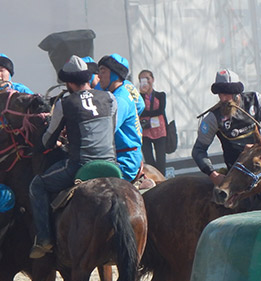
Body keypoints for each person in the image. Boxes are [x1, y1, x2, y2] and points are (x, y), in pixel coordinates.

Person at [29, 55, 117, 258]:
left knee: (37, 185)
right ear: (88, 78)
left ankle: (44, 239)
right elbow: (109, 130)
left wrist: (46, 142)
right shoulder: (110, 98)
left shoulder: (65, 103)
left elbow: (48, 139)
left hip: (80, 165)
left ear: (68, 82)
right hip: (111, 163)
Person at [192, 69, 261, 186]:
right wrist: (213, 174)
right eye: (221, 94)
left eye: (227, 93)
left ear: (236, 93)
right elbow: (198, 150)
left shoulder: (256, 100)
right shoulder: (212, 118)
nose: (224, 98)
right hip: (237, 175)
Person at [98, 53, 144, 182]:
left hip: (124, 160)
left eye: (103, 71)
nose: (99, 76)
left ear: (114, 74)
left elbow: (106, 130)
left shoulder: (119, 100)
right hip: (121, 155)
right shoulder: (118, 93)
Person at [138, 69, 168, 175]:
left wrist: (147, 113)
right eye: (142, 79)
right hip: (145, 131)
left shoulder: (160, 95)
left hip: (159, 130)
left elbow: (160, 110)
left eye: (147, 78)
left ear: (152, 80)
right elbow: (139, 111)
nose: (145, 81)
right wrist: (141, 94)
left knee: (161, 160)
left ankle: (162, 181)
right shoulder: (138, 97)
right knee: (149, 160)